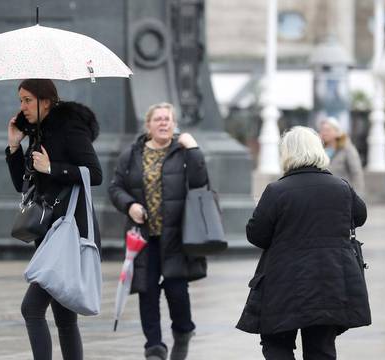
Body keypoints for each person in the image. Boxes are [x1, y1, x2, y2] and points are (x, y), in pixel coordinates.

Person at [236, 126, 370, 359]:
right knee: (321, 348)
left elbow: (256, 235)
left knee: (277, 344)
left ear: (287, 153)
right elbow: (360, 216)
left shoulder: (276, 191)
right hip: (331, 280)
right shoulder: (341, 187)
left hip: (283, 284)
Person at [6, 79, 102, 360]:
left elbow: (95, 174)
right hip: (47, 232)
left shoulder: (69, 128)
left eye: (27, 100)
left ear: (45, 101)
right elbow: (21, 185)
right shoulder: (37, 134)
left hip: (68, 230)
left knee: (31, 309)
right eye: (21, 100)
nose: (22, 106)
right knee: (64, 316)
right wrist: (14, 147)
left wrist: (53, 168)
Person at [108, 102, 209, 360]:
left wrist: (194, 147)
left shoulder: (184, 152)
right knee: (147, 290)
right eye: (158, 119)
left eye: (168, 119)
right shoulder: (132, 154)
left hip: (177, 235)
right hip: (143, 237)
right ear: (148, 125)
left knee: (177, 290)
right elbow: (115, 188)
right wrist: (129, 206)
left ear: (174, 124)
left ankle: (183, 331)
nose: (163, 123)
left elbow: (201, 183)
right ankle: (154, 346)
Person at [318, 117, 365, 195]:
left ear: (337, 132)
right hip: (323, 194)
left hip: (343, 194)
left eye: (328, 130)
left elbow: (356, 173)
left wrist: (358, 195)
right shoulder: (319, 150)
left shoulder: (348, 149)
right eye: (322, 130)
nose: (324, 133)